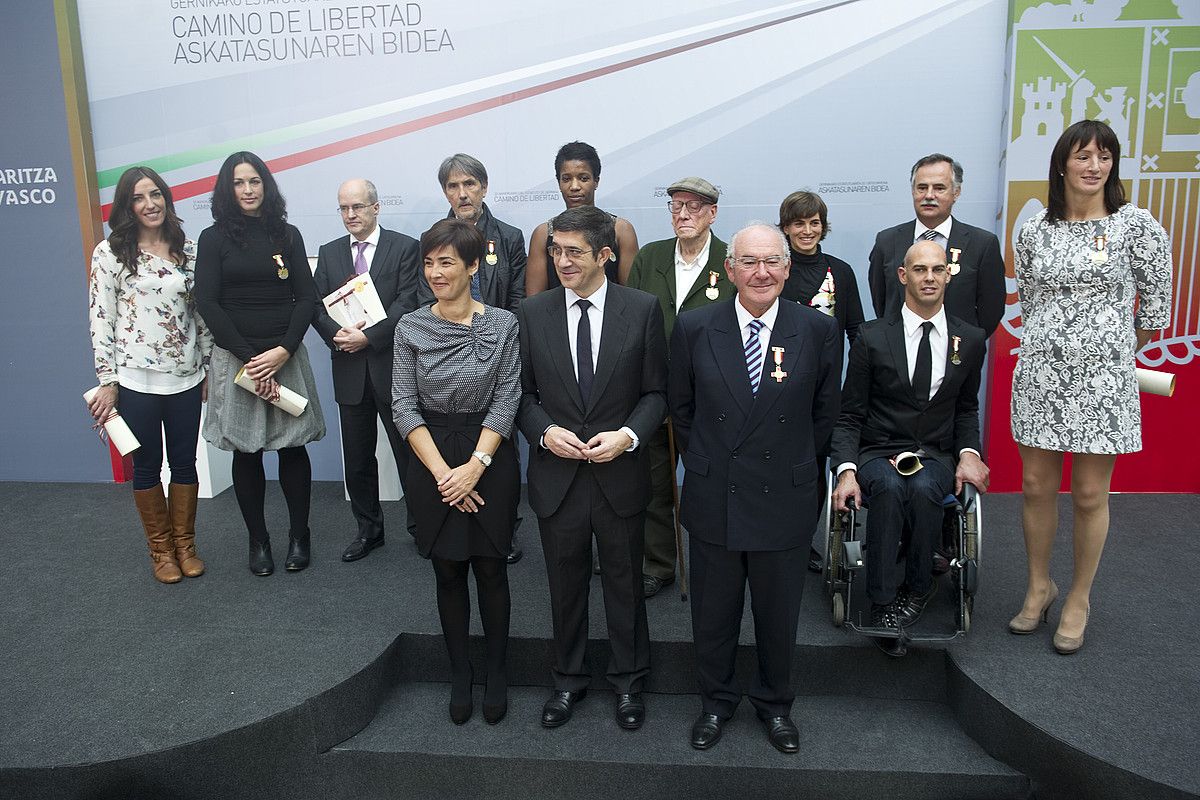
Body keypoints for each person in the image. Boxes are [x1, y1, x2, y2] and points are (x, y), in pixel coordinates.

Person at [669, 222, 841, 754]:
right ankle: (716, 702)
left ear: (788, 269)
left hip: (782, 498)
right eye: (749, 261)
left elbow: (823, 416)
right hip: (715, 492)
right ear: (729, 268)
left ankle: (774, 704)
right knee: (714, 614)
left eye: (771, 262)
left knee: (777, 614)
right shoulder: (696, 327)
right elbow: (682, 409)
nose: (761, 272)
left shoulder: (816, 330)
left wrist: (786, 464)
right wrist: (714, 462)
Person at [1009, 119, 1172, 654]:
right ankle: (1039, 586)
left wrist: (1110, 348)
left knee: (1088, 493)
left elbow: (1154, 305)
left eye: (1104, 156)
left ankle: (1078, 597)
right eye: (1082, 156)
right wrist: (1055, 344)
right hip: (1040, 372)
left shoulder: (1136, 226)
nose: (1093, 166)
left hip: (1104, 381)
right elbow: (1031, 300)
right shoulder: (1034, 229)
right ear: (1061, 164)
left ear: (1113, 165)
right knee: (1035, 486)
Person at [517, 206, 667, 732]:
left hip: (618, 476)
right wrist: (542, 430)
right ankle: (567, 679)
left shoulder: (642, 309)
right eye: (555, 250)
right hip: (557, 478)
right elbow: (522, 394)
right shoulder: (532, 314)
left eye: (573, 251)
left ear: (606, 254)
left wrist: (628, 436)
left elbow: (656, 393)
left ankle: (629, 682)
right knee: (564, 584)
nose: (561, 260)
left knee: (625, 585)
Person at [830, 240, 990, 657]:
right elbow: (850, 415)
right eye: (920, 270)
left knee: (922, 489)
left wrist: (970, 453)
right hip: (878, 449)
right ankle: (883, 603)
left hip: (935, 452)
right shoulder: (870, 337)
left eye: (938, 270)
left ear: (948, 275)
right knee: (887, 486)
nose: (929, 277)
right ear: (904, 276)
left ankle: (917, 589)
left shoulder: (970, 339)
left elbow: (967, 409)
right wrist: (846, 469)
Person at [392, 218, 521, 725]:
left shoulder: (504, 325)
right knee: (447, 570)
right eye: (429, 263)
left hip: (489, 456)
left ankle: (497, 671)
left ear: (473, 266)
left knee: (491, 569)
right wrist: (447, 474)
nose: (435, 273)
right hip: (431, 459)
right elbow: (403, 405)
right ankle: (460, 673)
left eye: (446, 262)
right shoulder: (410, 327)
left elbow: (507, 400)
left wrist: (475, 467)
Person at [195, 151, 325, 577]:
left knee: (293, 448)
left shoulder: (287, 235)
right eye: (239, 183)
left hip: (283, 356)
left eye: (255, 181)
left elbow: (306, 297)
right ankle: (259, 541)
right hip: (239, 363)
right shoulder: (212, 239)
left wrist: (284, 350)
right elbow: (208, 302)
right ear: (226, 190)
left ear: (266, 185)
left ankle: (299, 536)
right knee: (246, 453)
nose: (248, 190)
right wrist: (252, 360)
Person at [87, 166, 213, 584]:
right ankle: (161, 552)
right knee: (147, 467)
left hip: (186, 377)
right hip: (135, 380)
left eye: (155, 194)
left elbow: (201, 314)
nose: (150, 204)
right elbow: (101, 319)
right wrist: (108, 380)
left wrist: (208, 363)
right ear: (127, 206)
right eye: (139, 198)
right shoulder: (110, 254)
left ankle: (186, 546)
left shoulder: (189, 251)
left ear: (166, 198)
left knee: (184, 463)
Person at [626, 176, 734, 598]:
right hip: (653, 391)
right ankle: (659, 564)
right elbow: (632, 321)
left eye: (693, 206)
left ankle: (722, 559)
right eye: (676, 206)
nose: (683, 214)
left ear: (712, 213)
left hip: (713, 397)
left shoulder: (730, 258)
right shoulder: (650, 256)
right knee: (654, 485)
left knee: (715, 483)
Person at [423, 153, 528, 565]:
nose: (462, 193)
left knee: (503, 445)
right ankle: (450, 515)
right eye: (453, 186)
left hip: (498, 350)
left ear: (484, 187)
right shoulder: (432, 239)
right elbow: (425, 300)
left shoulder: (509, 236)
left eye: (469, 184)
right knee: (452, 441)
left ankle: (505, 526)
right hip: (447, 357)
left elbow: (518, 299)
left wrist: (497, 342)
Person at [313, 178, 420, 562]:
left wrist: (369, 338)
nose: (350, 215)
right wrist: (337, 336)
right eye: (343, 208)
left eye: (357, 207)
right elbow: (315, 306)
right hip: (349, 370)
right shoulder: (328, 253)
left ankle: (420, 528)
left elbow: (408, 302)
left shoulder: (405, 248)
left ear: (376, 207)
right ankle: (369, 530)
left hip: (393, 369)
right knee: (357, 460)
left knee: (410, 454)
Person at [776, 190, 866, 573]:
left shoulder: (840, 272)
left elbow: (857, 331)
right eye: (799, 223)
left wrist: (865, 383)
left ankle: (801, 541)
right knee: (776, 466)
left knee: (812, 468)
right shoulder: (773, 269)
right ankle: (773, 538)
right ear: (786, 227)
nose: (807, 230)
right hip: (776, 388)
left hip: (825, 391)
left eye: (815, 223)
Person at [868, 153, 1005, 339]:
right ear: (913, 191)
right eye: (922, 188)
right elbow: (882, 302)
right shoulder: (887, 241)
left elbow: (991, 310)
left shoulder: (982, 244)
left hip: (957, 354)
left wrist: (967, 342)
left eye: (939, 188)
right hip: (897, 353)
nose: (929, 195)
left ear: (956, 192)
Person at [524, 141, 639, 296]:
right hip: (556, 317)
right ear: (558, 182)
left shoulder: (620, 230)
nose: (574, 186)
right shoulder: (544, 233)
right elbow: (534, 302)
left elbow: (632, 296)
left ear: (596, 181)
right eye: (566, 179)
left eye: (583, 178)